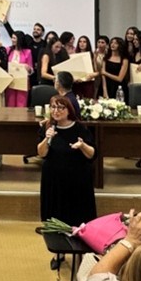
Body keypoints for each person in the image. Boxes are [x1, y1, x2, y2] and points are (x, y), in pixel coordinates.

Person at [36, 96, 96, 229]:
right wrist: (47, 138)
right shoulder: (48, 127)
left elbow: (92, 154)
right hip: (53, 178)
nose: (56, 111)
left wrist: (82, 146)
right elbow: (41, 153)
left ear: (69, 110)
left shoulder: (80, 128)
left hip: (77, 178)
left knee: (77, 216)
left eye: (60, 108)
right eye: (53, 107)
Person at [5, 30, 32, 109]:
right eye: (12, 38)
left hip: (22, 81)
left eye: (14, 38)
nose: (12, 40)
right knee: (10, 102)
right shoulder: (8, 50)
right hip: (11, 81)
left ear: (19, 39)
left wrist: (28, 68)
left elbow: (31, 69)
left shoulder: (27, 52)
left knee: (21, 103)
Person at [101, 36, 128, 101]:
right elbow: (103, 75)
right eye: (112, 42)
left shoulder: (124, 60)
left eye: (116, 43)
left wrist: (105, 73)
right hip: (107, 85)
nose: (113, 45)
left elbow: (120, 79)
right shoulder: (106, 58)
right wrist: (104, 90)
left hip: (119, 87)